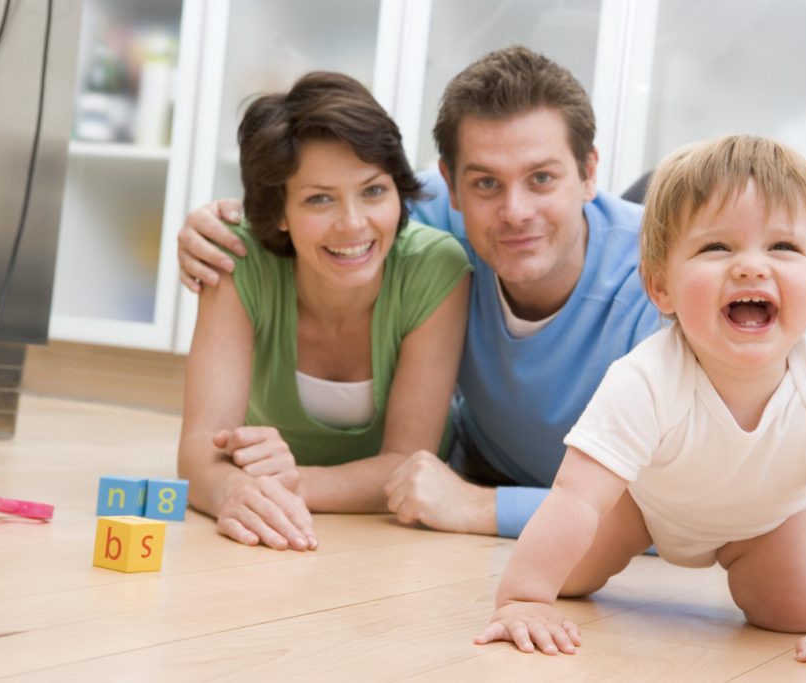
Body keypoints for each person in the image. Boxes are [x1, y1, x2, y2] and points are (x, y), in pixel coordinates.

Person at [176, 46, 662, 538]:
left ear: (589, 172)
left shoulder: (663, 279)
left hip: (562, 516)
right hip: (472, 468)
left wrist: (482, 506)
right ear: (451, 185)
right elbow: (328, 198)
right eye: (486, 183)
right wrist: (212, 228)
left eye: (541, 178)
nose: (515, 212)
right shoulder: (415, 211)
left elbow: (677, 514)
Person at [473, 134, 806, 681]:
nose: (751, 267)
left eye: (782, 247)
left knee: (795, 612)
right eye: (717, 247)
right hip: (640, 506)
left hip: (770, 519)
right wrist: (523, 598)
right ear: (661, 287)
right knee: (567, 577)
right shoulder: (646, 377)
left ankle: (791, 537)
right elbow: (575, 497)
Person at [177, 71, 471, 551]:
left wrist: (291, 484)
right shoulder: (239, 261)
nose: (352, 224)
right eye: (319, 199)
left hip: (396, 526)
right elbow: (198, 451)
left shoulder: (435, 267)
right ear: (279, 211)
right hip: (288, 513)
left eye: (373, 191)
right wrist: (231, 489)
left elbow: (407, 461)